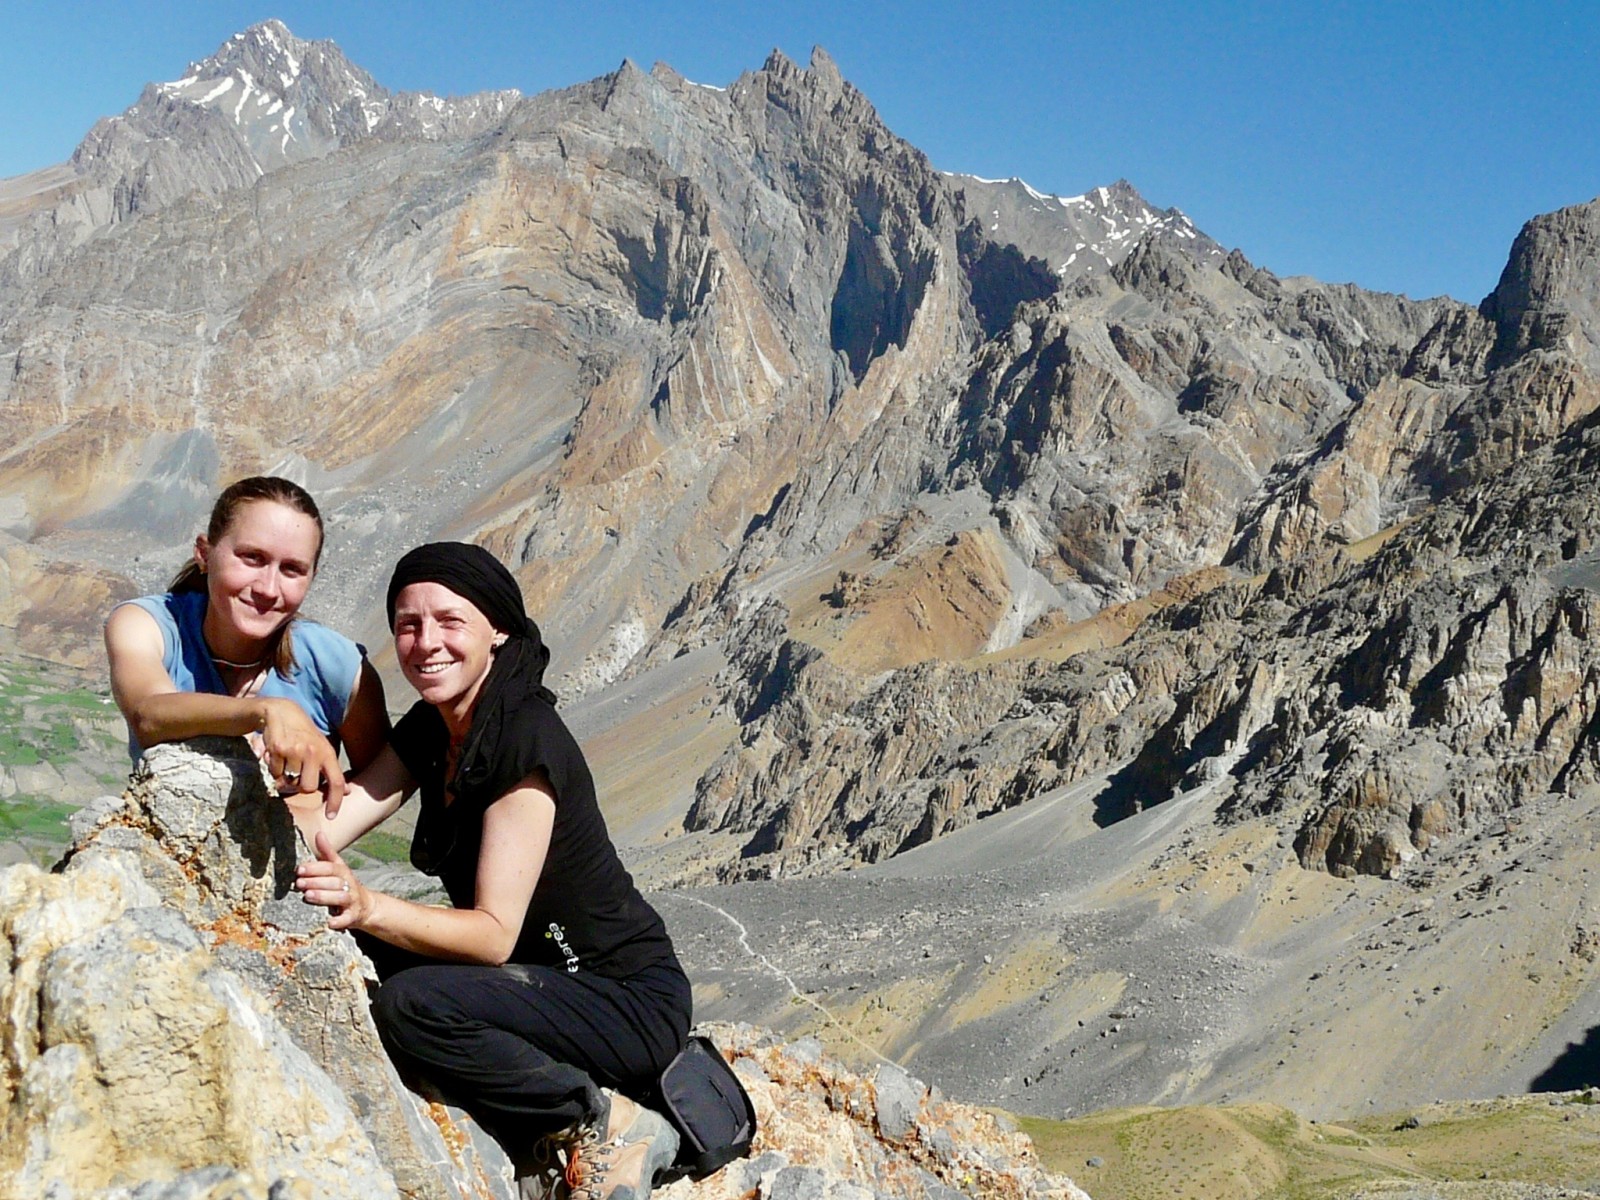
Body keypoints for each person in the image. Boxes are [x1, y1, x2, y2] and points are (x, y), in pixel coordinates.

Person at [290, 542, 688, 1200]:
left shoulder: (524, 738)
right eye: (409, 625)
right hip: (531, 984)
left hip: (623, 998)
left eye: (450, 621)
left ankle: (607, 1120)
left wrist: (370, 904)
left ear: (496, 630)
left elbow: (493, 934)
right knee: (348, 942)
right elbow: (327, 826)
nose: (426, 643)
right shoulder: (435, 726)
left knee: (411, 1005)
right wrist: (265, 732)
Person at [105, 475, 389, 811]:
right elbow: (149, 714)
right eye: (252, 557)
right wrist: (266, 713)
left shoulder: (337, 666)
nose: (268, 588)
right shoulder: (148, 625)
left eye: (292, 569)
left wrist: (299, 815)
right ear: (204, 553)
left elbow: (384, 777)